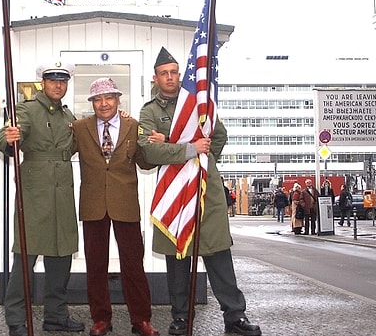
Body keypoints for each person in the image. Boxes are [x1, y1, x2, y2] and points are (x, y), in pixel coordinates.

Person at [138, 47, 261, 336]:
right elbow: (148, 150)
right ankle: (181, 318)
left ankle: (235, 318)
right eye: (163, 74)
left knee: (218, 255)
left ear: (180, 75)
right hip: (174, 193)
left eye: (174, 73)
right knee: (177, 259)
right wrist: (188, 149)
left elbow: (218, 135)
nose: (170, 78)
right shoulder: (150, 111)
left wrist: (199, 162)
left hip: (206, 190)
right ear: (155, 78)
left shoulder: (198, 104)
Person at [0, 61, 84, 336]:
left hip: (63, 191)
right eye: (52, 80)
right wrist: (8, 136)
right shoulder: (28, 109)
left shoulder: (69, 115)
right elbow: (4, 139)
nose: (58, 85)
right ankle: (16, 318)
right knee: (25, 257)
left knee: (61, 256)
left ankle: (56, 316)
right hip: (35, 193)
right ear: (42, 83)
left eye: (63, 80)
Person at [72, 78, 159, 336]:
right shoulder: (79, 127)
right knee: (95, 266)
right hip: (93, 204)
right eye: (98, 99)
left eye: (108, 98)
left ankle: (141, 320)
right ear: (92, 103)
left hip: (125, 204)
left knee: (133, 264)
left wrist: (159, 146)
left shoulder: (134, 126)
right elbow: (59, 150)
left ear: (118, 99)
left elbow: (145, 163)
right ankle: (101, 319)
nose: (104, 103)